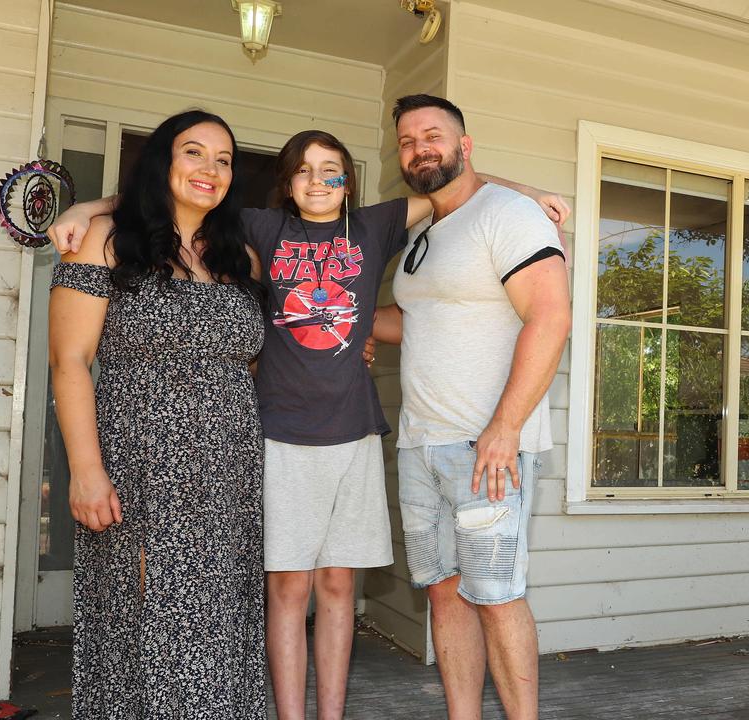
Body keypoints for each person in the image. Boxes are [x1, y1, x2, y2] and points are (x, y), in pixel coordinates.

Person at [51, 126, 569, 720]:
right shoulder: (254, 231)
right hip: (270, 437)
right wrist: (89, 205)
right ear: (284, 183)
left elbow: (456, 185)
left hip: (343, 435)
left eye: (333, 172)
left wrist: (528, 190)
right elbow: (168, 199)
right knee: (274, 592)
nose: (318, 182)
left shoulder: (370, 226)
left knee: (334, 589)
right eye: (304, 170)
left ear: (349, 184)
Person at [47, 110, 267, 718]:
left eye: (223, 160)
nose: (210, 169)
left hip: (228, 479)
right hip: (140, 467)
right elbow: (69, 361)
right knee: (147, 627)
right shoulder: (107, 241)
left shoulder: (239, 257)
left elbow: (243, 363)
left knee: (218, 629)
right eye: (193, 153)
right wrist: (86, 472)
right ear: (163, 161)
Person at [373, 94, 571, 720]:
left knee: (497, 594)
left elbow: (551, 316)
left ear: (465, 145)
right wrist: (336, 326)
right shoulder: (424, 234)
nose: (419, 148)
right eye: (407, 140)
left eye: (432, 135)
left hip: (487, 447)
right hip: (421, 443)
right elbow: (417, 321)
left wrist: (505, 428)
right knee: (445, 594)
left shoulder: (507, 215)